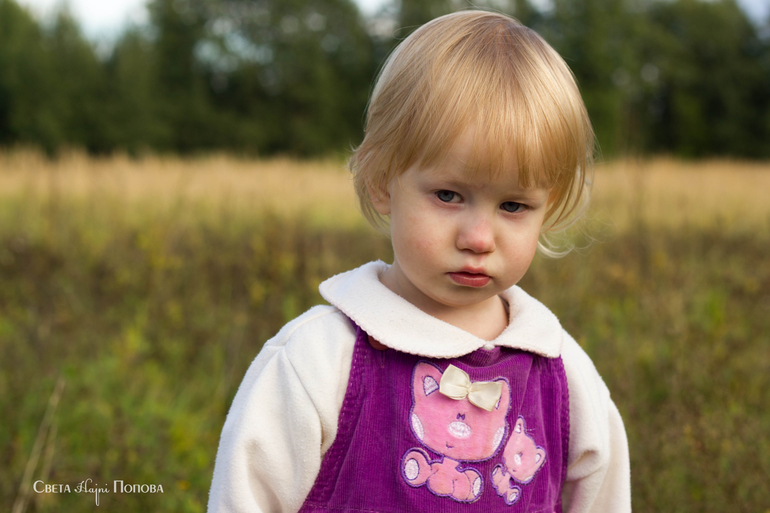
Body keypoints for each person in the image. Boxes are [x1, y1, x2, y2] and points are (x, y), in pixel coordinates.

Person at [208, 10, 631, 513]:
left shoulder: (564, 380)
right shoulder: (318, 362)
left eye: (513, 206)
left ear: (550, 206)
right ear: (382, 182)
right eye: (449, 194)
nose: (478, 238)